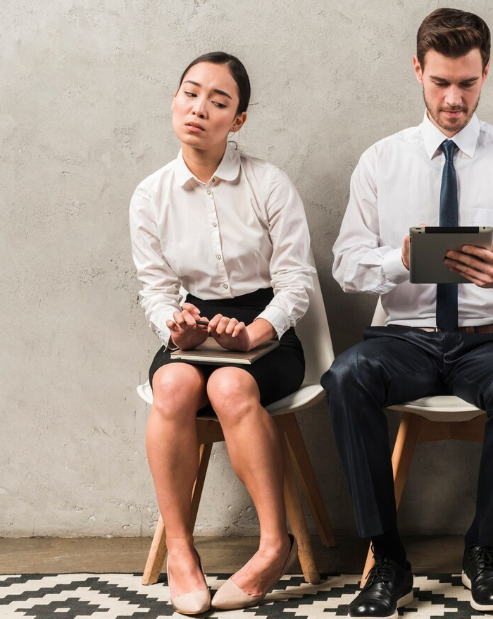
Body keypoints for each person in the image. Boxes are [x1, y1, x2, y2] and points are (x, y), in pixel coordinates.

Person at [322, 8, 493, 617]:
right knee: (346, 376)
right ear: (417, 70)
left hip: (492, 339)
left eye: (467, 83)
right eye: (440, 83)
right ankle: (388, 560)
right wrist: (399, 260)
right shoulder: (381, 161)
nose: (453, 99)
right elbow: (347, 266)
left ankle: (482, 549)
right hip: (405, 338)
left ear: (486, 73)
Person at [129, 52, 314, 614]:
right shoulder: (151, 195)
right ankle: (181, 553)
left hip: (266, 325)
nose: (199, 109)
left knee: (231, 386)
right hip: (196, 323)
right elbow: (156, 291)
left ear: (238, 120)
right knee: (173, 385)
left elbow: (296, 284)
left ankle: (273, 546)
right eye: (190, 93)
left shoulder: (268, 182)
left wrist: (254, 334)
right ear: (174, 100)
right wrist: (176, 329)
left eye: (218, 101)